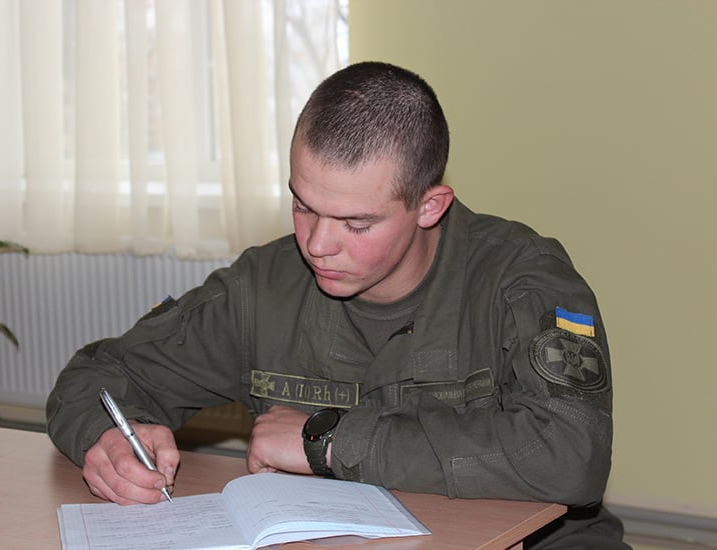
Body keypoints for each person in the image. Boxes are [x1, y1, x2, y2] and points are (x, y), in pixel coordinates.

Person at [47, 61, 628, 548]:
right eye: (303, 206)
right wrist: (109, 440)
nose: (317, 244)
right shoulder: (264, 286)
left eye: (356, 223)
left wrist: (326, 442)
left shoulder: (521, 279)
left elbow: (570, 455)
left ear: (430, 206)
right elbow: (100, 374)